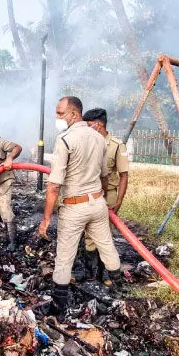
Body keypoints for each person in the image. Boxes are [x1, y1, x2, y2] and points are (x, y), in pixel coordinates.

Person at [38, 96, 122, 321]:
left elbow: (54, 185)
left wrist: (46, 219)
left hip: (74, 207)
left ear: (73, 114)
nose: (57, 118)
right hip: (97, 203)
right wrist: (98, 198)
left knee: (64, 257)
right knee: (107, 246)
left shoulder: (64, 140)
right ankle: (119, 294)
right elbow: (105, 176)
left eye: (59, 113)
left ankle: (58, 307)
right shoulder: (99, 138)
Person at [81, 108, 129, 284]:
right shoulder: (86, 142)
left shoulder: (116, 145)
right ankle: (89, 274)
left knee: (104, 236)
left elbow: (124, 175)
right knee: (87, 235)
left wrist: (118, 201)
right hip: (88, 194)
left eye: (87, 125)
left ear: (98, 124)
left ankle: (104, 275)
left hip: (107, 196)